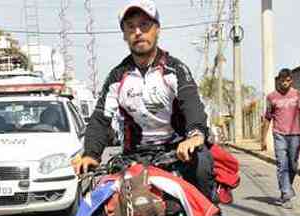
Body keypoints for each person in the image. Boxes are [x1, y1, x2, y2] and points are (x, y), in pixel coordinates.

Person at [71, 0, 214, 200]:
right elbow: (101, 118)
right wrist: (91, 154)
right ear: (124, 35)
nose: (138, 32)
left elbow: (191, 102)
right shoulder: (116, 77)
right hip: (135, 154)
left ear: (157, 29)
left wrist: (195, 134)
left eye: (145, 25)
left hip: (177, 149)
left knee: (202, 165)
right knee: (109, 209)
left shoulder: (175, 69)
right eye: (131, 27)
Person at [264, 68, 300, 209]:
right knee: (282, 164)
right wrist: (263, 138)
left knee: (293, 165)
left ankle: (287, 186)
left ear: (291, 80)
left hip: (294, 134)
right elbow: (267, 118)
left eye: (288, 80)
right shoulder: (271, 97)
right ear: (278, 80)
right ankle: (286, 193)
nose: (285, 83)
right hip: (279, 134)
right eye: (282, 80)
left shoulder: (297, 94)